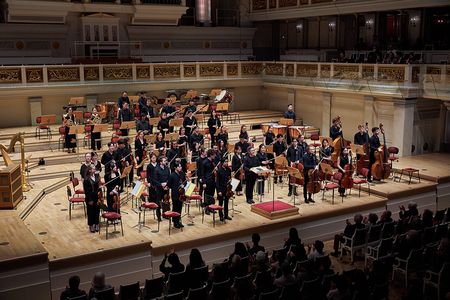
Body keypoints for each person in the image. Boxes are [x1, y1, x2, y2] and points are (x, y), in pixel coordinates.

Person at [83, 166, 101, 233]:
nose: (95, 169)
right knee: (90, 212)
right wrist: (90, 200)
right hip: (90, 197)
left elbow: (98, 186)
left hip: (97, 196)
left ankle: (97, 224)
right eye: (93, 168)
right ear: (90, 170)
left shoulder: (96, 176)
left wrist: (100, 188)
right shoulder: (86, 179)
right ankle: (91, 225)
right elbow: (86, 191)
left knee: (97, 210)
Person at [168, 163, 185, 228]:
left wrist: (183, 185)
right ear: (175, 168)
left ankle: (179, 221)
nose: (181, 168)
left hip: (181, 194)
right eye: (179, 167)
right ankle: (175, 222)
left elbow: (184, 182)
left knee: (180, 208)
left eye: (181, 166)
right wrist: (177, 186)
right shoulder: (172, 175)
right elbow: (169, 185)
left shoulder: (181, 174)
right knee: (175, 208)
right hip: (175, 194)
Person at [146, 153, 161, 220]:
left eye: (155, 158)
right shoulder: (149, 166)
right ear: (151, 159)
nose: (154, 159)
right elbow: (148, 175)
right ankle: (152, 205)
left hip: (157, 180)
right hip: (151, 181)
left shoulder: (158, 164)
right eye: (153, 158)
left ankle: (157, 205)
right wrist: (149, 182)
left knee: (157, 194)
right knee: (152, 193)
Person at [216, 157, 232, 221]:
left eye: (227, 161)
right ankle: (221, 216)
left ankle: (226, 215)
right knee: (220, 203)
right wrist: (218, 191)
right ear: (222, 163)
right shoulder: (219, 171)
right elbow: (217, 182)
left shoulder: (228, 169)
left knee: (226, 202)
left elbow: (229, 178)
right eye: (225, 162)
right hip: (221, 189)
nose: (226, 163)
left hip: (227, 189)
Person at [202, 149, 217, 213]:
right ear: (210, 155)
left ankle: (211, 207)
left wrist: (216, 169)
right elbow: (202, 174)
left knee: (212, 194)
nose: (215, 156)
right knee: (207, 195)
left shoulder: (213, 162)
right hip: (207, 180)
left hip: (213, 180)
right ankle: (207, 208)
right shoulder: (204, 162)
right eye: (214, 155)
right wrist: (204, 182)